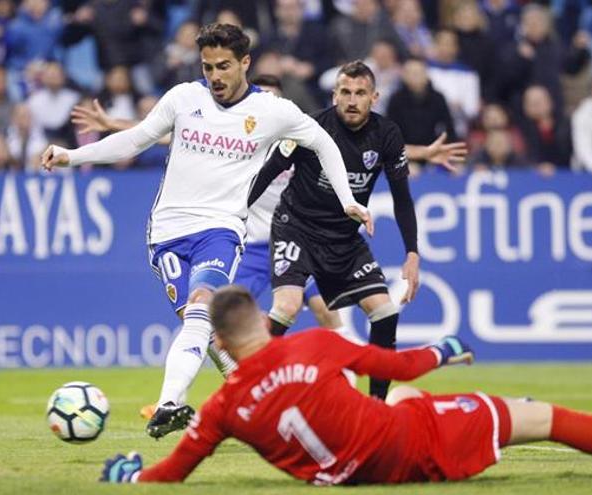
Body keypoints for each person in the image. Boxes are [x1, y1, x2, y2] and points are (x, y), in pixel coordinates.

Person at [40, 23, 371, 439]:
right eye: (208, 66)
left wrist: (346, 200)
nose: (215, 75)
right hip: (166, 233)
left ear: (245, 63)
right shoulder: (184, 98)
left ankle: (168, 404)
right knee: (210, 333)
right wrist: (72, 155)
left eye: (224, 66)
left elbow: (325, 143)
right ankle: (258, 399)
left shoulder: (272, 110)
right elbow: (136, 140)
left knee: (200, 309)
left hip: (221, 230)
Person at [99, 286, 592, 486]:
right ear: (261, 320)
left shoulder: (221, 408)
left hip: (347, 473)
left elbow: (171, 472)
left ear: (219, 345)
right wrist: (445, 349)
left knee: (404, 401)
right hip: (405, 445)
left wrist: (132, 477)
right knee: (540, 416)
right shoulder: (313, 344)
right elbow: (401, 365)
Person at [251, 61, 461, 400]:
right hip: (297, 228)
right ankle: (252, 388)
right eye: (345, 92)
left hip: (344, 238)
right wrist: (234, 211)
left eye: (360, 93)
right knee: (287, 307)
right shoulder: (310, 128)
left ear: (374, 97)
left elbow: (402, 200)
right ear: (334, 95)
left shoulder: (387, 135)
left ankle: (377, 404)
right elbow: (270, 169)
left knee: (385, 312)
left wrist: (412, 253)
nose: (352, 100)